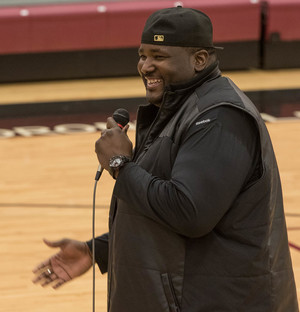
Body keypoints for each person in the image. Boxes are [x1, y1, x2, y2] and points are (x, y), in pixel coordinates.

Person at [32, 6, 299, 312]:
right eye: (142, 55)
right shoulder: (179, 109)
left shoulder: (219, 117)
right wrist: (99, 250)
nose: (145, 66)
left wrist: (120, 166)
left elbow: (189, 212)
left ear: (199, 59)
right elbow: (166, 214)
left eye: (158, 56)